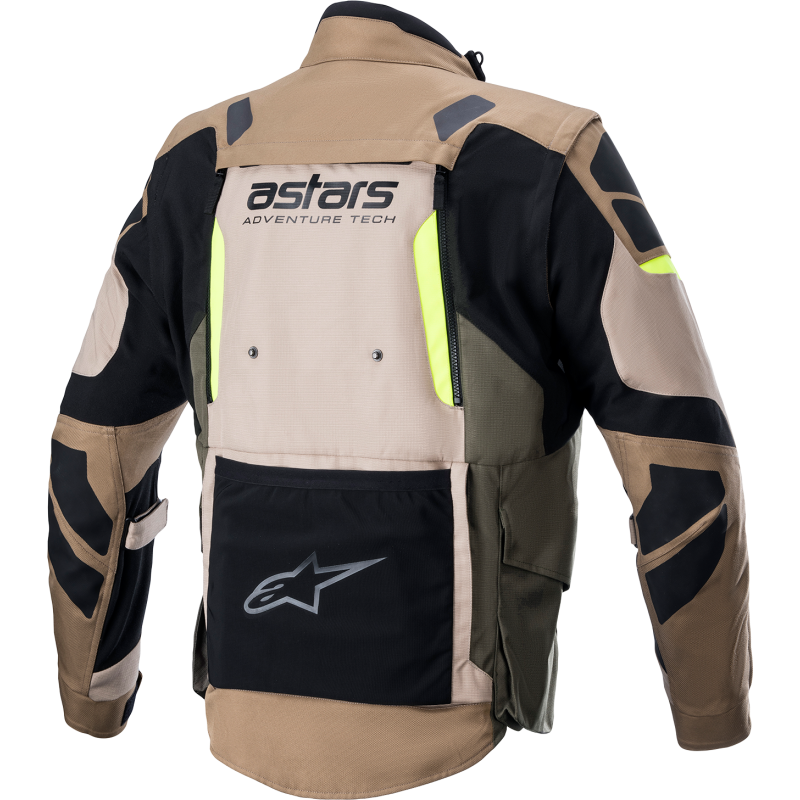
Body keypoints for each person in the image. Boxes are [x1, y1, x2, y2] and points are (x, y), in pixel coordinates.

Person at [47, 2, 751, 795]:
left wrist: (93, 701)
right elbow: (682, 456)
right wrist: (709, 718)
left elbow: (92, 449)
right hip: (463, 729)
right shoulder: (549, 149)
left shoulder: (196, 153)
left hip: (243, 718)